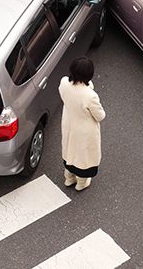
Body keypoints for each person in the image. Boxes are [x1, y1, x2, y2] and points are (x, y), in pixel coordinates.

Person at [58, 57, 106, 191]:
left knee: (69, 150)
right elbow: (100, 116)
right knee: (83, 156)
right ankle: (81, 183)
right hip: (84, 130)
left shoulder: (63, 83)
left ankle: (69, 178)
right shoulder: (90, 95)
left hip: (69, 123)